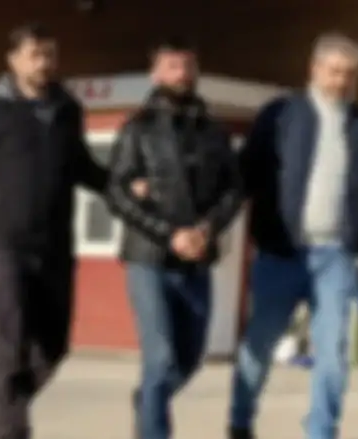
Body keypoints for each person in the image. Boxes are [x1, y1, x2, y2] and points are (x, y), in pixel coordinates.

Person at [0, 22, 108, 439]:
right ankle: (11, 428)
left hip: (55, 245)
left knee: (54, 347)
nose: (44, 63)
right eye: (35, 55)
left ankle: (10, 404)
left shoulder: (68, 111)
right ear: (13, 60)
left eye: (50, 55)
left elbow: (82, 168)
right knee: (10, 343)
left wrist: (123, 186)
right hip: (3, 244)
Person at [228, 32, 358, 439]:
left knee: (333, 352)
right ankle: (240, 420)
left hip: (337, 256)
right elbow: (244, 174)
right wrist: (211, 222)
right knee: (260, 344)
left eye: (350, 74)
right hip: (282, 252)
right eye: (334, 72)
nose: (342, 81)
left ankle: (321, 430)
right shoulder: (281, 115)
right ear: (314, 69)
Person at [106, 37, 243, 439]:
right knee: (160, 358)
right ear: (155, 73)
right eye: (172, 66)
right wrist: (170, 234)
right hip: (148, 259)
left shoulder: (214, 132)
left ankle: (147, 401)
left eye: (188, 66)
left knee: (190, 359)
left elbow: (233, 190)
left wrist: (206, 229)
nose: (181, 74)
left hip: (197, 261)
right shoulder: (137, 129)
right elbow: (117, 192)